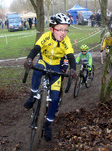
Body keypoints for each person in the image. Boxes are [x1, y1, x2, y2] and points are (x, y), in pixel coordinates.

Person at [23, 13, 77, 141]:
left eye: (65, 30)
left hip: (56, 68)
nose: (63, 33)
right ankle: (33, 96)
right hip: (44, 61)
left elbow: (71, 57)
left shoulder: (66, 41)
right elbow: (36, 49)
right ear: (52, 29)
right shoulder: (45, 37)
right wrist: (29, 59)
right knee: (38, 68)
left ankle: (48, 124)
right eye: (60, 29)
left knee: (54, 97)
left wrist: (73, 69)